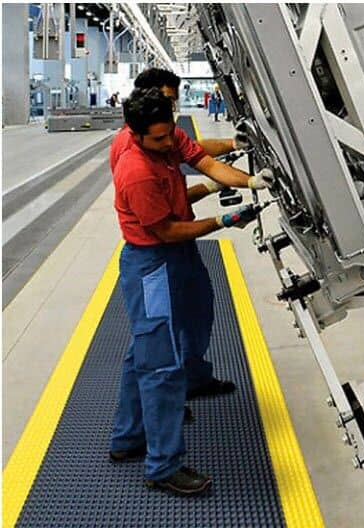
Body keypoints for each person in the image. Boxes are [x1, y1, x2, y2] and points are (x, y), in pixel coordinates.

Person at [109, 88, 272, 496]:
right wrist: (223, 222)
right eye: (160, 141)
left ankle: (130, 436)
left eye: (170, 135)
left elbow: (205, 162)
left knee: (197, 313)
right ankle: (161, 464)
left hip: (180, 255)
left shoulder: (166, 134)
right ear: (136, 133)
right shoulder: (135, 170)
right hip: (152, 264)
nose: (169, 145)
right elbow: (166, 230)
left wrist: (252, 180)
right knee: (158, 362)